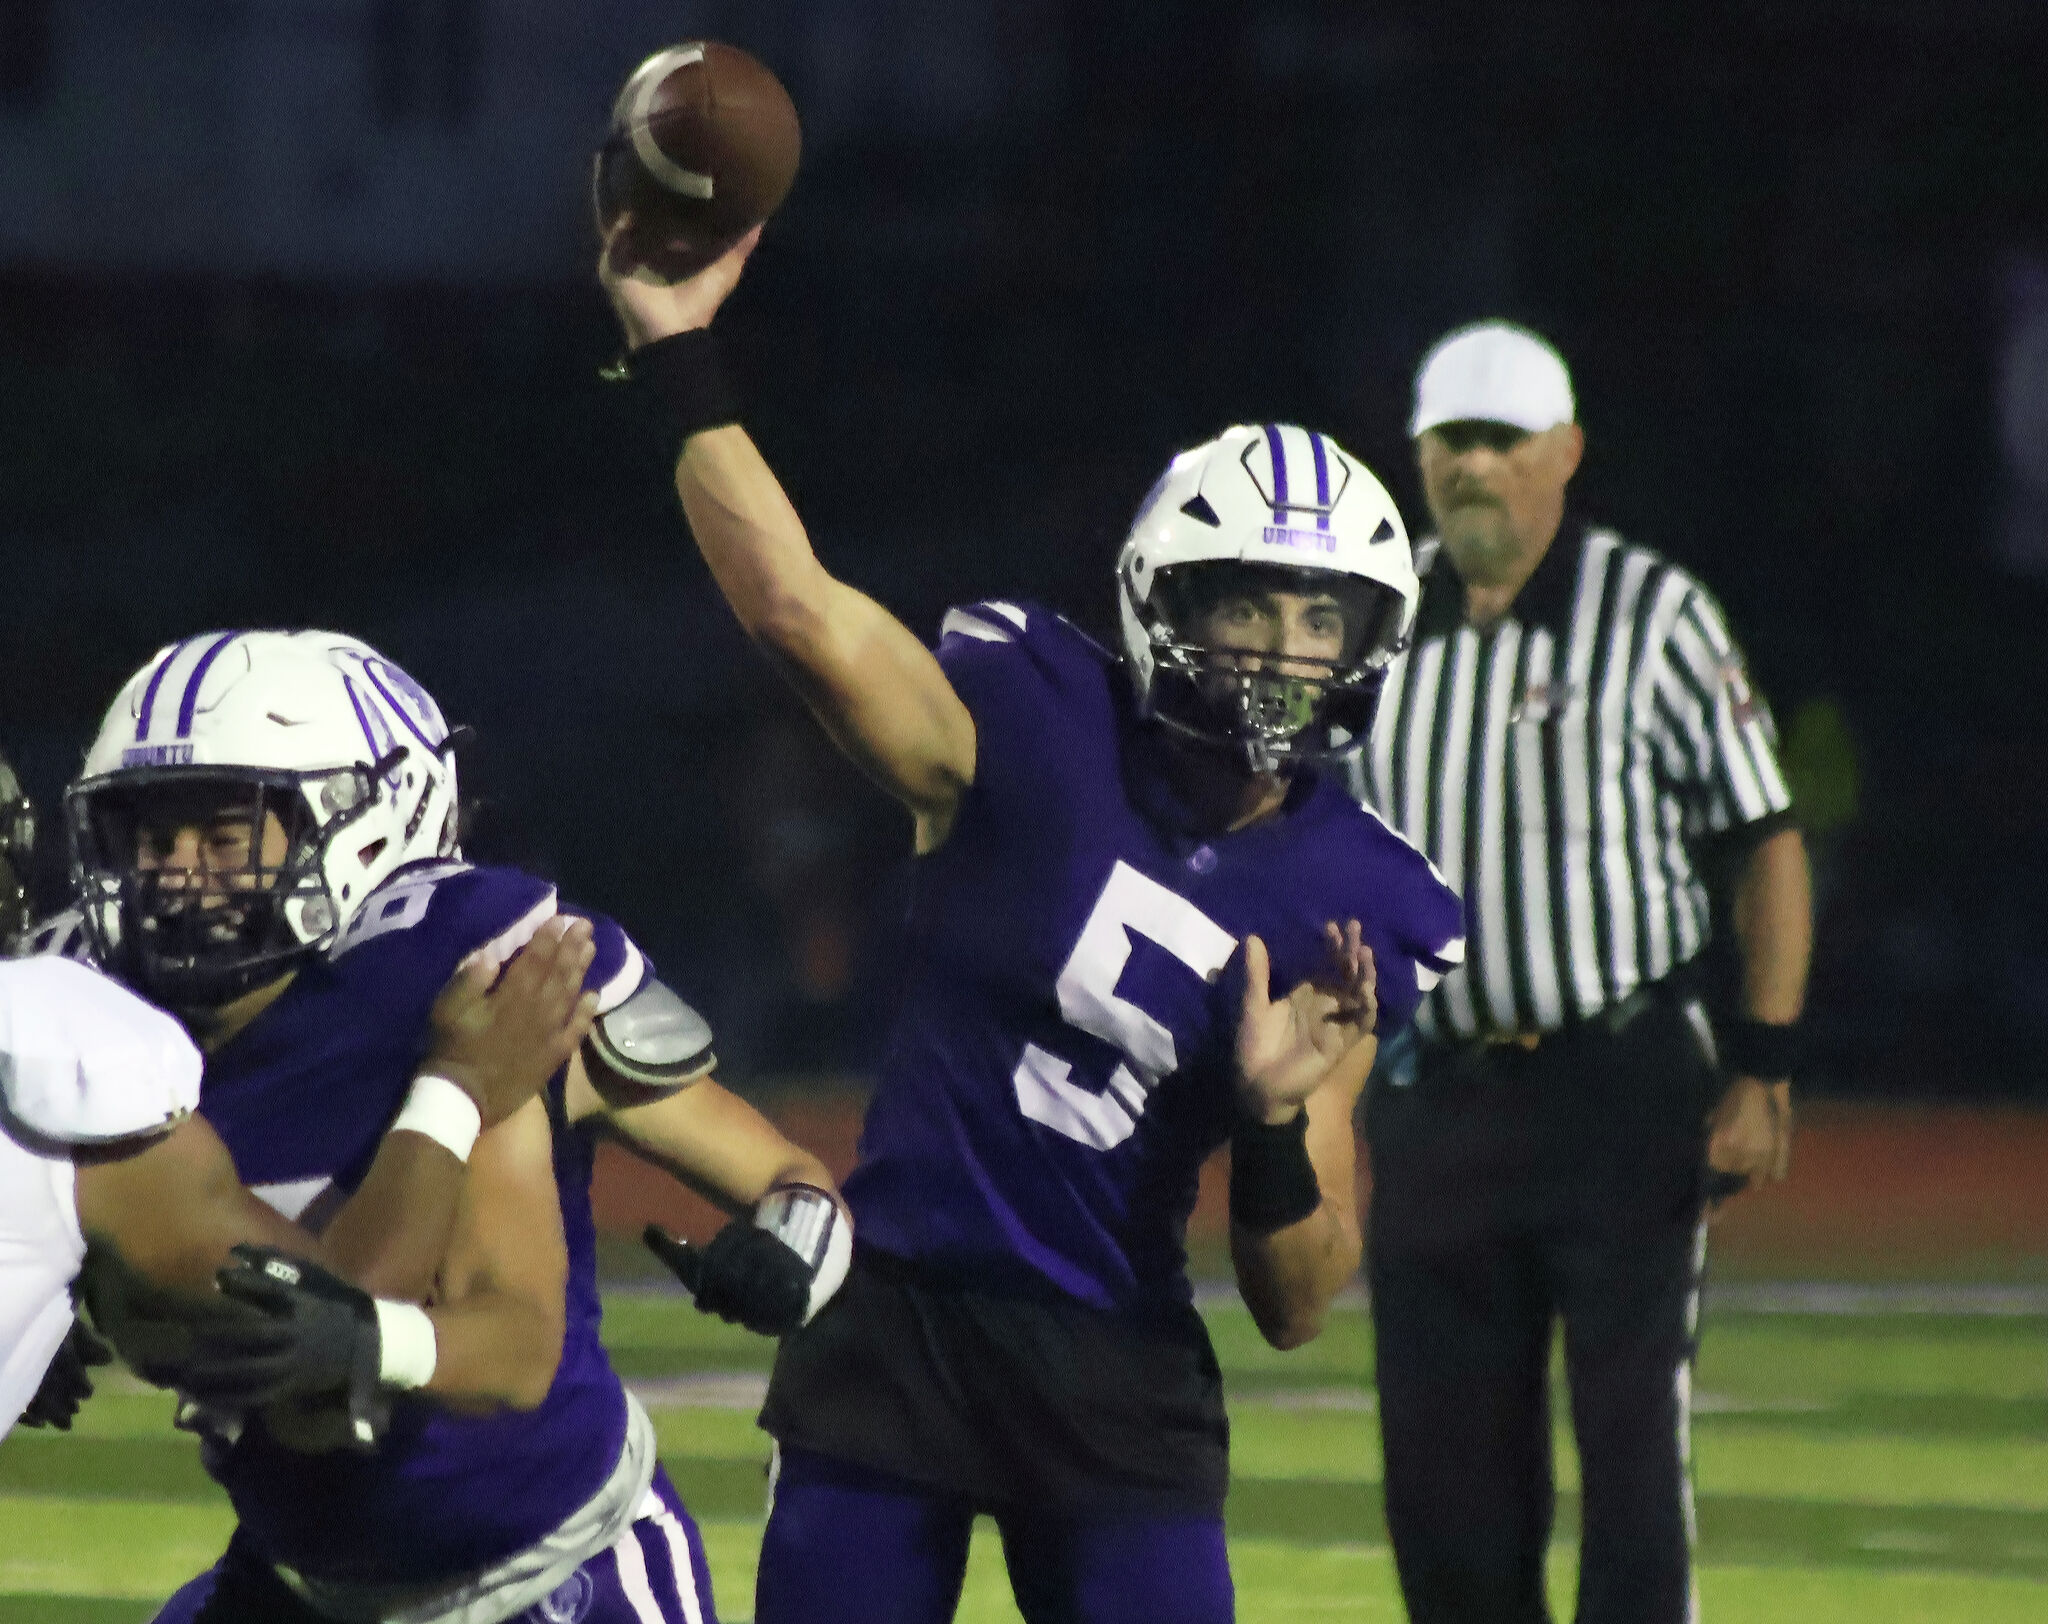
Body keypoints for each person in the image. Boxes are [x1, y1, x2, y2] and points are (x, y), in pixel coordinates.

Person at [599, 230, 1466, 1624]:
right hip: (899, 1326)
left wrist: (1269, 1124)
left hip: (1115, 1364)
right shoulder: (1033, 714)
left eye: (1320, 615)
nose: (1283, 650)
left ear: (1368, 637)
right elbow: (798, 612)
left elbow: (1299, 1303)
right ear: (1164, 598)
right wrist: (674, 350)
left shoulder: (1357, 898)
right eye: (1246, 602)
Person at [43, 629, 849, 1624]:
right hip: (302, 1577)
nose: (176, 876)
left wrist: (788, 1258)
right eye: (148, 839)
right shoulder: (84, 1007)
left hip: (551, 1574)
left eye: (225, 835)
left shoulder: (483, 979)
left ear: (368, 823)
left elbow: (789, 1182)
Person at [1353, 321, 1813, 1624]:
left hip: (1620, 1087)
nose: (1477, 467)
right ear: (1420, 453)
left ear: (1564, 453)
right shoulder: (1377, 622)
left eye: (1504, 442)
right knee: (1442, 1475)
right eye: (1454, 441)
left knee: (1628, 1457)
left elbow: (1763, 839)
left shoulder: (1652, 613)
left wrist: (1765, 1068)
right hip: (1435, 1093)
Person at [3, 918, 599, 1443]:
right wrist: (457, 1087)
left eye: (222, 836)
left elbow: (512, 1352)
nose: (180, 874)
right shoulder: (60, 1034)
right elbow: (328, 1308)